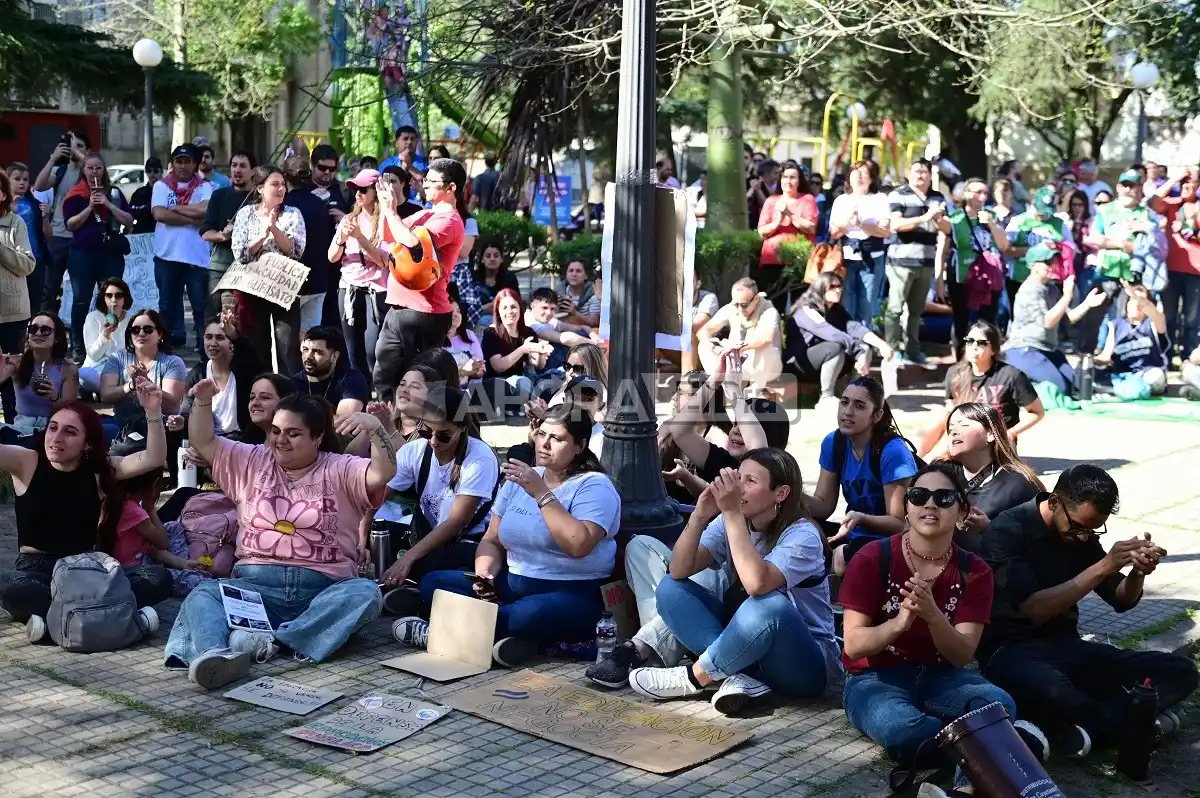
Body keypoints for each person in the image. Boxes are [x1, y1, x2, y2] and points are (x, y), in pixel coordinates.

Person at [165, 389, 395, 689]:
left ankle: (275, 639)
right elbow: (203, 440)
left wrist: (376, 428)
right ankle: (214, 656)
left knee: (365, 594)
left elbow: (383, 471)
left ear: (318, 437)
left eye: (293, 433)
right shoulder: (252, 460)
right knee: (204, 593)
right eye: (275, 431)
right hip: (255, 591)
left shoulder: (340, 467)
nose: (280, 440)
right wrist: (203, 400)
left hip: (323, 592)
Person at [839, 464, 1043, 787]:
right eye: (919, 496)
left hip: (942, 674)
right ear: (906, 507)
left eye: (944, 498)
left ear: (962, 511)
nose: (930, 505)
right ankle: (1004, 742)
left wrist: (933, 615)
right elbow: (854, 644)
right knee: (903, 730)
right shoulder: (872, 558)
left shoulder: (974, 571)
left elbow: (962, 654)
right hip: (875, 677)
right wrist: (900, 623)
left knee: (999, 703)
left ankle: (966, 786)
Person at [979, 465, 1199, 758]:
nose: (1084, 537)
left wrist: (1137, 573)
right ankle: (1137, 720)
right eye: (1079, 528)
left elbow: (1120, 600)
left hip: (1067, 646)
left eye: (1093, 530)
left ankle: (1093, 729)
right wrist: (1105, 565)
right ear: (1055, 502)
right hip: (1010, 650)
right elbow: (1033, 609)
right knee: (1057, 692)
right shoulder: (1007, 530)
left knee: (1180, 671)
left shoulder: (1078, 533)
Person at [393, 403, 620, 668]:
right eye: (541, 434)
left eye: (557, 438)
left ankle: (438, 634)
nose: (544, 444)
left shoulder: (594, 485)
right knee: (435, 581)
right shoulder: (523, 477)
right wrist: (484, 575)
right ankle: (514, 641)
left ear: (580, 446)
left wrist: (541, 494)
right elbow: (492, 539)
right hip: (511, 585)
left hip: (570, 592)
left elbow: (578, 545)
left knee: (524, 616)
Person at [626, 450, 841, 714]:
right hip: (749, 650)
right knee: (671, 590)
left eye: (750, 481)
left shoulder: (803, 534)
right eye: (739, 477)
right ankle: (740, 678)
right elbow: (679, 569)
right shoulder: (732, 519)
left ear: (781, 493)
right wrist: (700, 515)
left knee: (767, 604)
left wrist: (731, 515)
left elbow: (756, 584)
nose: (739, 487)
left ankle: (692, 677)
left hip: (805, 663)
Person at [0, 386, 173, 639]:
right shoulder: (28, 461)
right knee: (10, 586)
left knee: (159, 577)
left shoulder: (99, 472)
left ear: (87, 443)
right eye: (53, 427)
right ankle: (112, 615)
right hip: (37, 569)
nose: (56, 437)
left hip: (85, 570)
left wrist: (153, 411)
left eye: (70, 432)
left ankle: (57, 622)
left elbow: (153, 459)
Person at [370, 386, 499, 596]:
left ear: (461, 429)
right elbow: (377, 496)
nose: (433, 441)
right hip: (426, 534)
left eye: (444, 436)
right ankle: (410, 588)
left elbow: (456, 522)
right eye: (426, 431)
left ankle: (415, 590)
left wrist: (408, 558)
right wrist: (358, 539)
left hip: (468, 541)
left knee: (430, 570)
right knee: (378, 534)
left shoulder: (479, 457)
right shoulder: (416, 450)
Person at [806, 376, 918, 576]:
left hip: (892, 541)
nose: (847, 412)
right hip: (852, 533)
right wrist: (791, 490)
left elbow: (900, 524)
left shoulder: (893, 452)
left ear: (876, 415)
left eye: (859, 406)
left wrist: (861, 518)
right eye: (844, 402)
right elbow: (823, 506)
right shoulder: (834, 443)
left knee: (844, 555)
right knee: (799, 531)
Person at [373, 158, 467, 395]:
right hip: (398, 307)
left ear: (451, 187)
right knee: (384, 378)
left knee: (420, 383)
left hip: (426, 312)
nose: (424, 185)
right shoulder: (425, 214)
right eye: (424, 180)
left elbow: (414, 243)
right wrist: (387, 207)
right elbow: (389, 232)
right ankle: (388, 429)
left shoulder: (450, 220)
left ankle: (423, 430)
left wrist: (391, 211)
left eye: (431, 181)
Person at [919, 321, 1044, 456]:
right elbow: (950, 409)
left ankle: (925, 466)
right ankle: (916, 460)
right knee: (939, 412)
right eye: (970, 341)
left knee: (962, 430)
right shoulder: (955, 373)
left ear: (994, 349)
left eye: (982, 343)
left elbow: (1037, 413)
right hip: (963, 435)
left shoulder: (1011, 375)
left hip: (994, 441)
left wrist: (1011, 433)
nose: (974, 346)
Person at [937, 402, 1043, 552]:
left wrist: (989, 529)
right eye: (950, 428)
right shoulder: (940, 473)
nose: (954, 431)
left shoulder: (1018, 484)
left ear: (991, 434)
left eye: (964, 425)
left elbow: (1038, 543)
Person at [230, 165, 306, 374]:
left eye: (283, 184)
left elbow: (295, 251)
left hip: (284, 288)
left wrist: (274, 228)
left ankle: (289, 398)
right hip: (253, 289)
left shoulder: (292, 213)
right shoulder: (246, 214)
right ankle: (260, 395)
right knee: (256, 347)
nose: (281, 189)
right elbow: (241, 254)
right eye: (275, 184)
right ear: (260, 188)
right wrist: (262, 235)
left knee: (287, 347)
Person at [62, 153, 133, 355]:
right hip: (82, 254)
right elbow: (70, 225)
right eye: (90, 168)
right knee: (81, 299)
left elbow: (128, 221)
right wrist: (91, 207)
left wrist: (108, 205)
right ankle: (78, 345)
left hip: (109, 254)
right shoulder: (75, 194)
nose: (94, 172)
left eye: (98, 168)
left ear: (104, 170)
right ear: (83, 170)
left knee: (110, 299)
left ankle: (111, 342)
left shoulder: (115, 193)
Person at [787, 272, 893, 406]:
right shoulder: (806, 309)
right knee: (836, 347)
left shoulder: (836, 310)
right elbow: (830, 333)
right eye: (832, 286)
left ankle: (856, 396)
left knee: (865, 348)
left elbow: (856, 328)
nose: (838, 290)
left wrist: (881, 344)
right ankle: (826, 398)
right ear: (820, 288)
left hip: (823, 360)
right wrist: (858, 352)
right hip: (799, 364)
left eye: (839, 286)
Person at [885, 159, 951, 365]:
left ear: (931, 176)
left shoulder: (937, 197)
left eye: (924, 171)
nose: (920, 175)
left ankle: (913, 351)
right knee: (895, 309)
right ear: (910, 173)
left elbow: (947, 230)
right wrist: (925, 217)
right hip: (900, 262)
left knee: (916, 311)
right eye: (916, 171)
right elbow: (896, 224)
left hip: (926, 262)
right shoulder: (898, 194)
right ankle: (893, 351)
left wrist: (939, 219)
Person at [1004, 263, 1104, 395]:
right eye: (1046, 262)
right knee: (1060, 389)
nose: (1051, 266)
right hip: (1024, 349)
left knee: (1079, 387)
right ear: (1033, 266)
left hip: (1048, 349)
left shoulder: (1051, 289)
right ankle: (1018, 383)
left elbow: (1069, 318)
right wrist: (1067, 296)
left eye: (1052, 261)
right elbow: (1048, 322)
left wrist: (1087, 304)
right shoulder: (1028, 290)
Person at [330, 168, 389, 391]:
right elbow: (332, 256)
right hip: (349, 288)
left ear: (376, 191)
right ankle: (361, 395)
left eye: (363, 189)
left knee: (373, 349)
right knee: (352, 349)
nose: (358, 194)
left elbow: (382, 261)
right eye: (355, 189)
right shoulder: (349, 218)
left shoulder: (386, 220)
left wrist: (360, 238)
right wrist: (342, 238)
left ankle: (381, 393)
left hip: (376, 291)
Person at [151, 144, 213, 352]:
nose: (183, 166)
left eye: (187, 161)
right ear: (172, 164)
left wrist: (177, 208)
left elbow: (206, 213)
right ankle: (163, 352)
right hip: (167, 258)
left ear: (195, 164)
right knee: (167, 307)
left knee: (200, 308)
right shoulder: (161, 186)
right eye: (179, 161)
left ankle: (205, 352)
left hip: (196, 259)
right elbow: (160, 214)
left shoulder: (205, 187)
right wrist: (192, 216)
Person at [937, 176, 1009, 350]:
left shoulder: (992, 216)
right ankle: (961, 363)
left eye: (985, 192)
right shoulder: (954, 218)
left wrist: (991, 225)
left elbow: (1004, 245)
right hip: (961, 277)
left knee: (988, 323)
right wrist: (939, 282)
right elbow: (942, 251)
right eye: (978, 192)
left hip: (988, 279)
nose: (983, 197)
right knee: (961, 322)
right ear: (967, 194)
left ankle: (988, 364)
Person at [98, 309, 187, 444]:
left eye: (148, 329)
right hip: (123, 426)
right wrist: (131, 386)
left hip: (160, 427)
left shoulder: (173, 362)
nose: (141, 334)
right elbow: (105, 396)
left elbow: (172, 404)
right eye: (135, 330)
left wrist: (146, 382)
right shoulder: (117, 358)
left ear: (160, 334)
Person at [32, 130, 89, 316]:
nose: (74, 149)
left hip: (81, 239)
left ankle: (76, 335)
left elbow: (96, 174)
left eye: (79, 146)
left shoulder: (90, 171)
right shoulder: (61, 170)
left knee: (80, 291)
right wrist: (53, 159)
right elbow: (39, 186)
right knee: (48, 289)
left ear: (87, 150)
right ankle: (43, 328)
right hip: (57, 237)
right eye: (72, 145)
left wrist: (77, 152)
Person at [176, 316, 262, 440]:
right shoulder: (198, 372)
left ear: (232, 342)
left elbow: (250, 355)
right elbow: (187, 411)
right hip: (209, 442)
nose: (213, 343)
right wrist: (180, 421)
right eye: (208, 337)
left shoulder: (245, 369)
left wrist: (235, 335)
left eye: (220, 338)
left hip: (242, 442)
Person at [697, 278, 783, 399]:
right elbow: (703, 331)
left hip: (765, 367)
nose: (739, 309)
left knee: (766, 347)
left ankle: (755, 392)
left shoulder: (769, 311)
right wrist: (713, 345)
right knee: (704, 346)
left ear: (756, 298)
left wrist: (735, 348)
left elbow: (767, 338)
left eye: (744, 305)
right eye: (736, 304)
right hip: (737, 363)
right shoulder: (732, 308)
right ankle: (720, 388)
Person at [828, 160, 891, 324]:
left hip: (872, 258)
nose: (860, 176)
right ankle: (848, 345)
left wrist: (861, 224)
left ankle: (864, 346)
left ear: (872, 178)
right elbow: (834, 231)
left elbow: (885, 231)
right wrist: (850, 222)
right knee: (846, 306)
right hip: (847, 258)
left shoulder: (880, 199)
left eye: (864, 173)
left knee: (867, 306)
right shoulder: (842, 200)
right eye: (856, 172)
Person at [1148, 167, 1200, 359]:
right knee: (1168, 317)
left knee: (1192, 320)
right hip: (1170, 270)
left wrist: (1190, 230)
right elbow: (1152, 203)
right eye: (1183, 182)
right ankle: (1166, 357)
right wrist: (1173, 179)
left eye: (1190, 181)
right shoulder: (1173, 205)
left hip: (1196, 272)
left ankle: (1190, 358)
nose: (1186, 185)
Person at [755, 160, 818, 313]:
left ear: (799, 180)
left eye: (792, 177)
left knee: (800, 305)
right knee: (772, 304)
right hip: (772, 258)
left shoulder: (807, 199)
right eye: (785, 177)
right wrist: (777, 222)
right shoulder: (771, 201)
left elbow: (811, 227)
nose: (788, 181)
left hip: (798, 258)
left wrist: (790, 214)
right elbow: (761, 231)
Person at [481, 288, 553, 419]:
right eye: (504, 308)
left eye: (513, 307)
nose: (509, 312)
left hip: (524, 382)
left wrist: (541, 352)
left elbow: (538, 365)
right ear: (498, 311)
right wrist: (523, 349)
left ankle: (527, 407)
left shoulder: (528, 333)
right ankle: (531, 407)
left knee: (552, 380)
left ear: (520, 309)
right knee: (523, 382)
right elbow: (498, 366)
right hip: (498, 384)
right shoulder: (491, 333)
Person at [281, 156, 333, 334]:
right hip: (318, 280)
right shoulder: (320, 204)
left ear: (284, 178)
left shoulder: (283, 206)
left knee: (287, 339)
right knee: (310, 338)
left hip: (289, 281)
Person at [200, 151, 255, 316]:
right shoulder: (219, 195)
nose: (237, 170)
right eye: (234, 165)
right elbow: (205, 232)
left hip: (250, 267)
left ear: (253, 171)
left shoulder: (259, 198)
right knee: (214, 313)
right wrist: (222, 236)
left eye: (243, 166)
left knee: (245, 316)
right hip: (220, 266)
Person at [4, 312, 78, 434]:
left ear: (57, 338)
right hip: (21, 426)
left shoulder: (68, 369)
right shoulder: (16, 362)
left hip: (54, 427)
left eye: (45, 330)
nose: (38, 333)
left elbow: (69, 410)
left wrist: (54, 397)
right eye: (33, 329)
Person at [0, 169, 36, 421]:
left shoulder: (15, 223)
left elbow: (28, 264)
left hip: (12, 312)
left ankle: (14, 424)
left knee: (12, 370)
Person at [1093, 281, 1169, 398]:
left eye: (1140, 300)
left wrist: (1135, 295)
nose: (1137, 304)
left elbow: (1154, 312)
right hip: (1123, 375)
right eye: (1132, 300)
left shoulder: (1154, 323)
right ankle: (1123, 388)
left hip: (1148, 375)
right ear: (1126, 303)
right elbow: (1106, 355)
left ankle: (1125, 390)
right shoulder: (1116, 325)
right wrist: (1091, 361)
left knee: (1156, 376)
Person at [291, 325, 369, 418]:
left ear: (334, 356)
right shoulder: (294, 383)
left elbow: (342, 423)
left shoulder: (352, 380)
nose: (308, 357)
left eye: (317, 352)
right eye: (305, 350)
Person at [6, 162, 50, 315]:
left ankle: (31, 334)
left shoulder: (35, 205)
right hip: (11, 260)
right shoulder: (4, 205)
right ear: (7, 180)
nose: (22, 182)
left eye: (25, 179)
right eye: (17, 179)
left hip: (34, 259)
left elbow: (48, 236)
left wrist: (45, 218)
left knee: (34, 302)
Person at [80, 277, 133, 394]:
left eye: (118, 295)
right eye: (109, 296)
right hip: (97, 368)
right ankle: (116, 392)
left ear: (125, 298)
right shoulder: (93, 317)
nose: (114, 300)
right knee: (83, 375)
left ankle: (107, 392)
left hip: (121, 369)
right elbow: (94, 355)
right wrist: (105, 335)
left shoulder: (132, 320)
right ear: (103, 298)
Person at [471, 241, 521, 327]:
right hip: (475, 321)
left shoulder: (509, 278)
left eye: (496, 256)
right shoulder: (473, 277)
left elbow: (516, 304)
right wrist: (490, 306)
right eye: (488, 256)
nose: (492, 259)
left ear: (501, 259)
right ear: (482, 259)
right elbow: (468, 308)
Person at [238, 373, 297, 445]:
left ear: (286, 401)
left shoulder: (297, 445)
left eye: (265, 397)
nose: (255, 403)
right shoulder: (247, 444)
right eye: (252, 398)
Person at [445, 297, 485, 387]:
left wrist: (475, 369)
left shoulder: (469, 335)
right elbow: (437, 376)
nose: (456, 314)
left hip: (467, 388)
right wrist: (463, 372)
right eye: (451, 311)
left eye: (458, 311)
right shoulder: (434, 339)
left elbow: (480, 372)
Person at [127, 156, 164, 236]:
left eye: (155, 171)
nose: (152, 174)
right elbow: (130, 214)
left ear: (161, 172)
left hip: (162, 233)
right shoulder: (139, 193)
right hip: (142, 235)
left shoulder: (168, 191)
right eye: (149, 171)